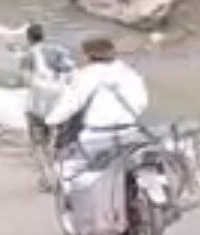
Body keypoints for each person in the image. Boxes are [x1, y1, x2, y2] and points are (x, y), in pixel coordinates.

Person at [45, 36, 150, 160]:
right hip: (130, 133)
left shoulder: (85, 75)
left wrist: (50, 121)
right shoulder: (130, 73)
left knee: (68, 170)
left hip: (96, 136)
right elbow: (142, 103)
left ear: (86, 56)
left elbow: (69, 106)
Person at [21, 23, 76, 183]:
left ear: (28, 38)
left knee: (37, 141)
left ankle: (45, 176)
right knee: (55, 137)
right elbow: (70, 72)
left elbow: (26, 81)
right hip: (58, 101)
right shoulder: (58, 50)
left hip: (38, 104)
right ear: (44, 35)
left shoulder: (28, 55)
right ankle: (58, 172)